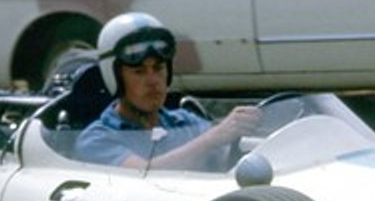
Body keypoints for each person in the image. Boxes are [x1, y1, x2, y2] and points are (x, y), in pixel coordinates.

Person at [73, 13, 260, 170]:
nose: (153, 81)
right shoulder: (96, 139)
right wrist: (213, 137)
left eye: (159, 68)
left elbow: (224, 158)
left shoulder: (185, 122)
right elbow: (144, 175)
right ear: (115, 77)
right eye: (139, 72)